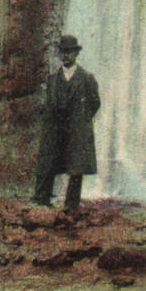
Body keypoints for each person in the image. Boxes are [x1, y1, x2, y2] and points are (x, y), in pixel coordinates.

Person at [30, 34, 101, 211]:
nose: (66, 55)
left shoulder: (86, 78)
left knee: (76, 168)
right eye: (63, 52)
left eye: (69, 52)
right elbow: (47, 103)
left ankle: (71, 204)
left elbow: (95, 103)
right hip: (55, 129)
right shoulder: (53, 79)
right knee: (48, 164)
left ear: (76, 54)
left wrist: (81, 120)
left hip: (77, 129)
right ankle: (42, 200)